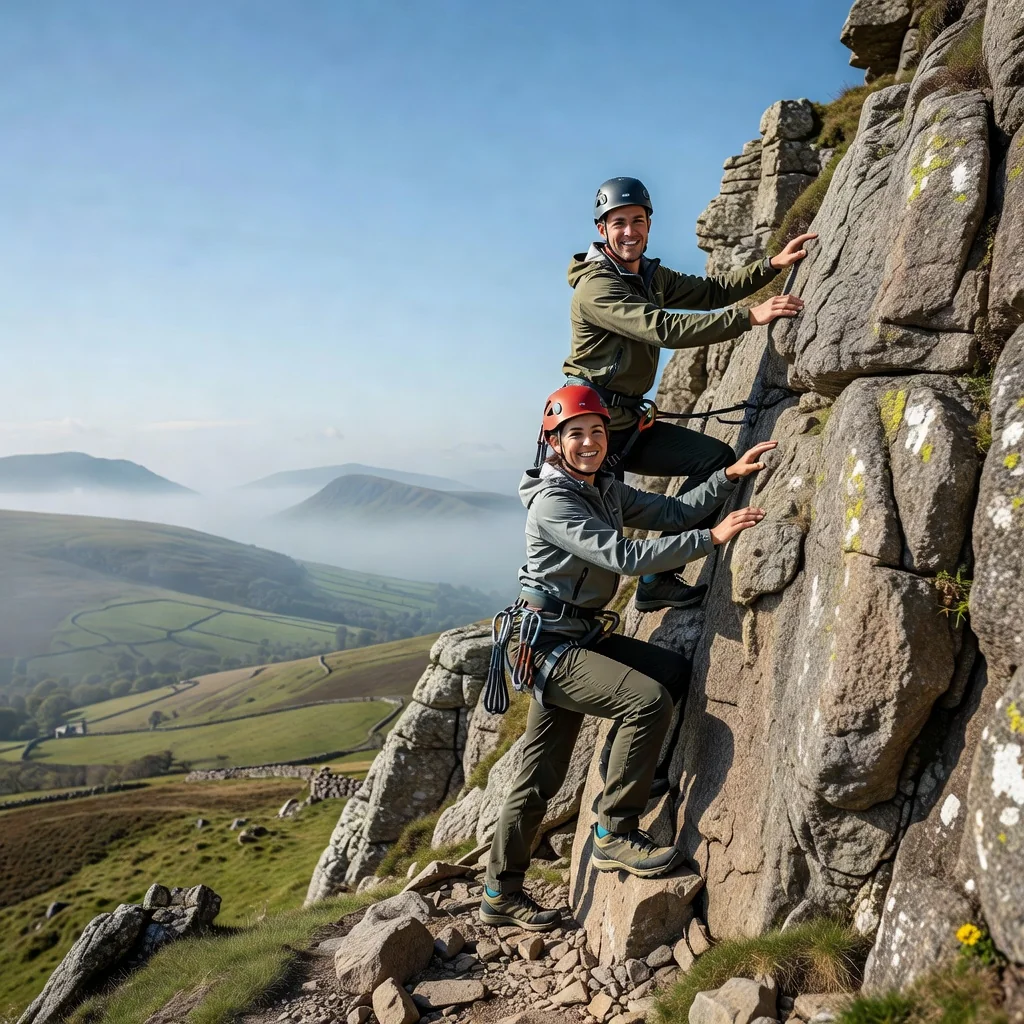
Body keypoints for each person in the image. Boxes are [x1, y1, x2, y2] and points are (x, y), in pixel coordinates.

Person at [479, 384, 774, 931]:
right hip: (550, 646)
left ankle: (506, 888)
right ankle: (612, 830)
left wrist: (727, 478)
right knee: (643, 703)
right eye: (576, 434)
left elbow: (671, 509)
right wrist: (710, 538)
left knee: (668, 673)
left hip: (579, 635)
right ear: (554, 443)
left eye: (597, 432)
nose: (589, 442)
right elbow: (624, 556)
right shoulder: (556, 503)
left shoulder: (604, 489)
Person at [563, 176, 814, 612]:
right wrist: (749, 318)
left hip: (625, 424)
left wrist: (771, 266)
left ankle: (658, 580)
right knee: (599, 547)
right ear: (602, 229)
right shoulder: (596, 287)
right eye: (618, 222)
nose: (629, 231)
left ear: (649, 224)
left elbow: (709, 292)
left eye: (637, 220)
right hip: (590, 432)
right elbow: (663, 328)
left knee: (713, 460)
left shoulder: (648, 276)